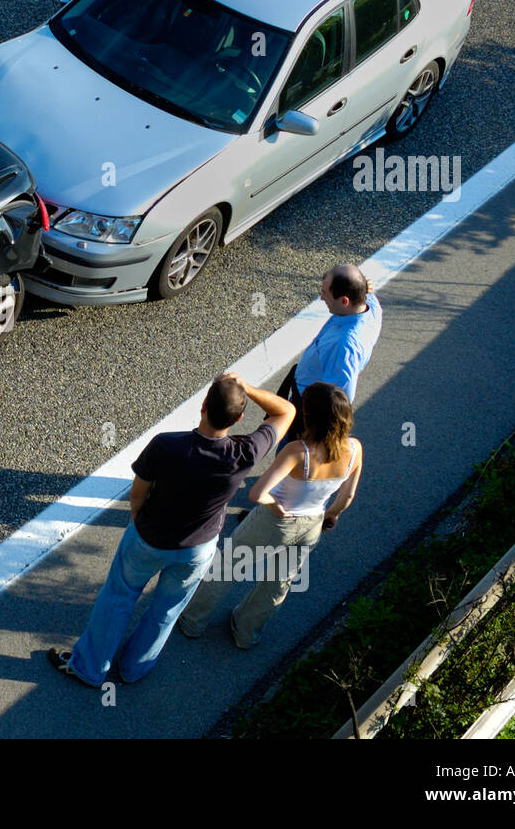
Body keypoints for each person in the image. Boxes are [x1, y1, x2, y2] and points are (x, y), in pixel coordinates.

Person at [47, 373, 295, 687]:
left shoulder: (167, 444)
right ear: (240, 417)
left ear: (203, 406)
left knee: (118, 597)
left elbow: (139, 490)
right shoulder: (245, 452)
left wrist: (137, 516)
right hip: (197, 549)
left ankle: (90, 668)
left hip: (149, 538)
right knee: (167, 608)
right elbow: (286, 411)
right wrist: (245, 387)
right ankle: (135, 668)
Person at [178, 382, 363, 648]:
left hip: (275, 522)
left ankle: (192, 622)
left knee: (229, 568)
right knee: (278, 583)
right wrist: (329, 516)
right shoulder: (355, 449)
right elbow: (347, 497)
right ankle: (245, 633)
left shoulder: (298, 452)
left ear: (310, 415)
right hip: (312, 525)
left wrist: (276, 507)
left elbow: (258, 494)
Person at [279, 264, 382, 439]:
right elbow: (366, 290)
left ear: (344, 301)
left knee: (288, 457)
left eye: (325, 293)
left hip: (308, 416)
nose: (321, 297)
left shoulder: (344, 345)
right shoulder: (370, 304)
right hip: (304, 398)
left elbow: (337, 400)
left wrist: (312, 436)